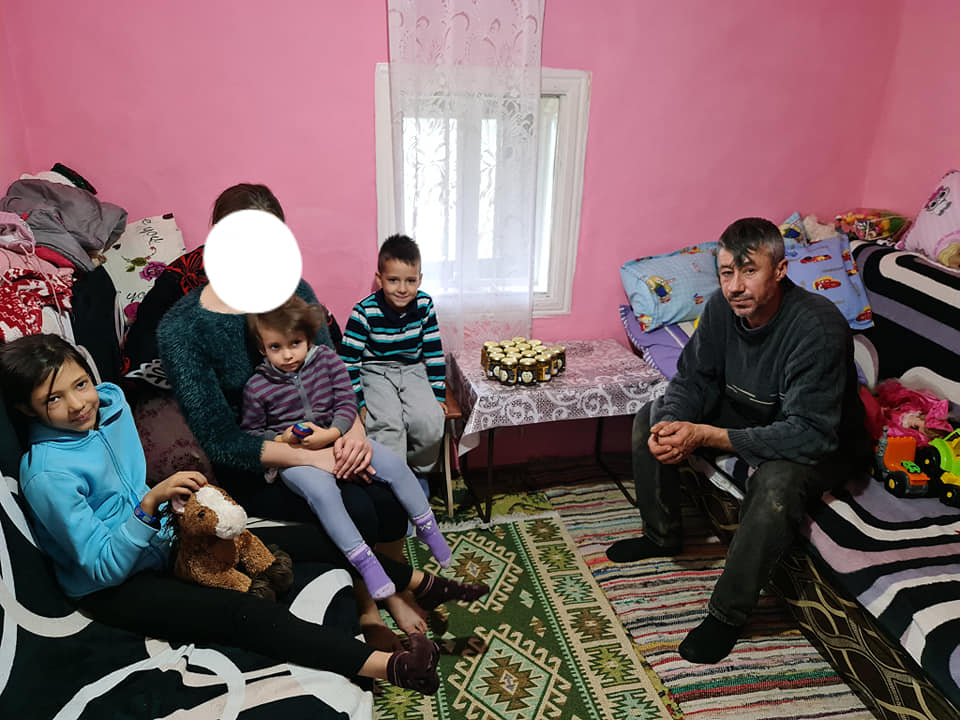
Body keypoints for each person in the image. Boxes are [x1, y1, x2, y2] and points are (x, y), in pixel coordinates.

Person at [0, 333, 449, 694]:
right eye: (53, 399)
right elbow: (101, 566)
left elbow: (124, 471)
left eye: (80, 384)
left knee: (317, 539)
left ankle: (421, 584)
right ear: (26, 409)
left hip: (161, 541)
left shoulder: (111, 403)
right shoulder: (48, 475)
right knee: (243, 613)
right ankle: (394, 668)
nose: (79, 404)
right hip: (115, 586)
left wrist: (169, 506)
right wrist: (149, 505)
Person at [155, 184, 447, 645]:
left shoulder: (297, 292)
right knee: (357, 507)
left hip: (322, 435)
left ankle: (392, 589)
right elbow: (221, 440)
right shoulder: (182, 328)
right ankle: (367, 607)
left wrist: (353, 433)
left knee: (389, 491)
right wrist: (312, 458)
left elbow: (335, 376)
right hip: (260, 462)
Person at [605, 217, 872, 664]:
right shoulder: (719, 309)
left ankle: (727, 614)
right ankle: (661, 535)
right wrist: (673, 424)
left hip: (819, 438)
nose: (735, 286)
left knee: (776, 484)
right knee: (653, 415)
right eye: (727, 272)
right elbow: (693, 379)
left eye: (750, 271)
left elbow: (809, 433)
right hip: (752, 410)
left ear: (780, 271)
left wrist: (707, 435)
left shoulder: (817, 326)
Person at [241, 295, 465, 603]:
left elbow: (347, 402)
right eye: (275, 347)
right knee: (323, 494)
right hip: (295, 460)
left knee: (394, 465)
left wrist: (332, 433)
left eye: (295, 343)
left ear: (308, 338)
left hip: (339, 439)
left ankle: (428, 528)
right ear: (261, 348)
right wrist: (282, 438)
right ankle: (366, 563)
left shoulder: (328, 361)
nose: (288, 355)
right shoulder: (256, 386)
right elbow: (252, 434)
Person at [339, 235, 446, 474]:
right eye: (393, 280)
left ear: (419, 279)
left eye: (410, 281)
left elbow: (434, 352)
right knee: (387, 425)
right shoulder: (364, 311)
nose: (402, 288)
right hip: (375, 372)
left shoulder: (425, 305)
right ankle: (393, 478)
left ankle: (416, 473)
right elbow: (348, 363)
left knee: (430, 421)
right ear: (380, 279)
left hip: (412, 369)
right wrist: (359, 402)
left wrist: (438, 394)